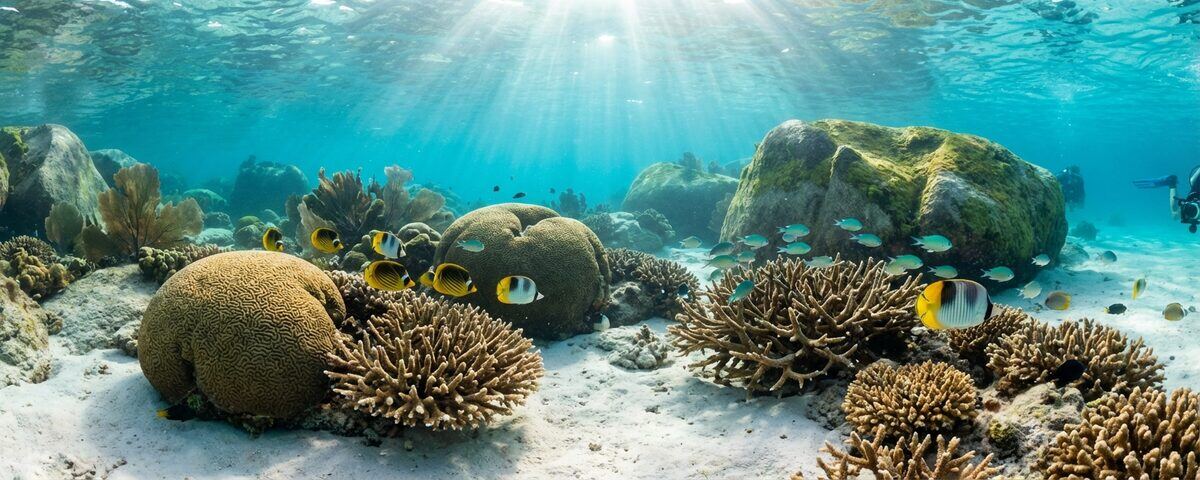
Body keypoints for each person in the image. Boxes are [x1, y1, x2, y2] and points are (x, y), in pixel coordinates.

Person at [1133, 166, 1200, 233]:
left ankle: (1172, 182)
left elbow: (1192, 180)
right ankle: (1172, 185)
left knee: (1176, 214)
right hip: (1194, 199)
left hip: (1194, 196)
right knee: (1175, 215)